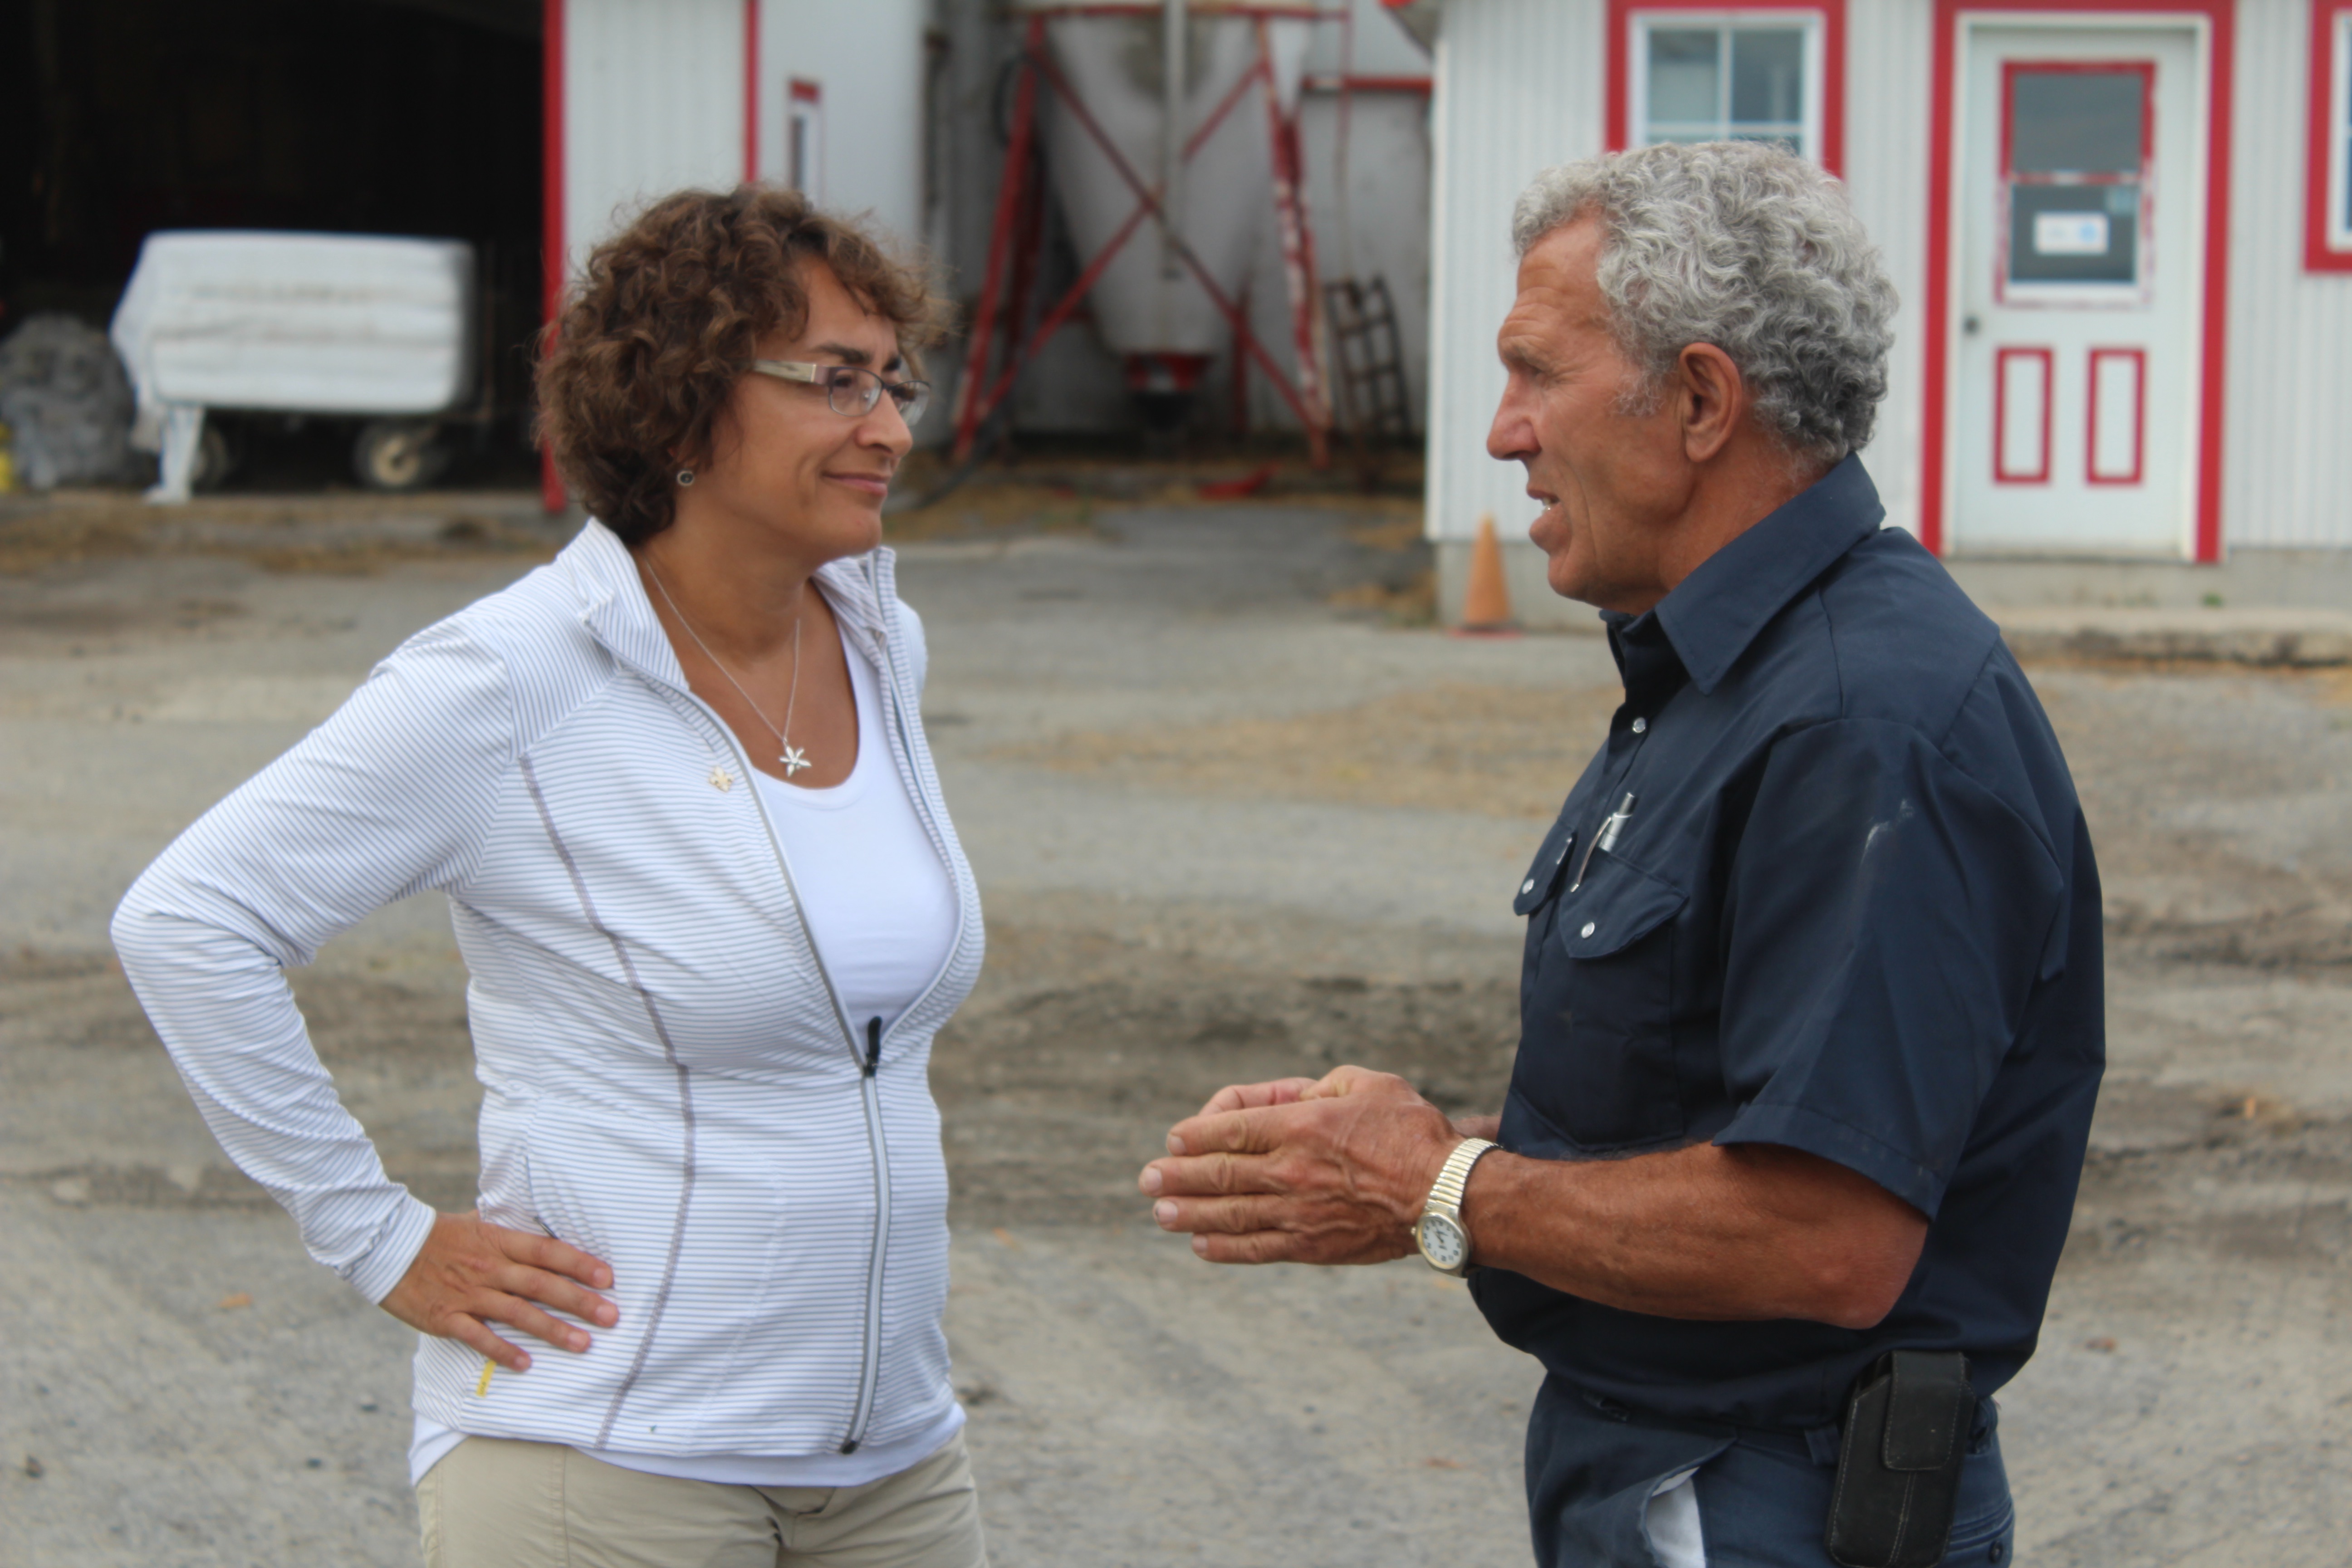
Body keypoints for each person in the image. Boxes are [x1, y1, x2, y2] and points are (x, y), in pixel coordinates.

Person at [1139, 142, 2102, 1568]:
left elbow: (1826, 1235)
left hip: (1770, 1501)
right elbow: (1704, 1113)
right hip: (1686, 1476)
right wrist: (1424, 1171)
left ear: (1702, 400)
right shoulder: (1738, 677)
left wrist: (1438, 1187)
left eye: (1537, 371)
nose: (1502, 432)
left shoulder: (1862, 718)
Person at [113, 186, 992, 1568]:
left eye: (894, 382)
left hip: (892, 1461)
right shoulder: (508, 681)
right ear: (685, 404)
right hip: (608, 1467)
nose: (889, 426)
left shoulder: (880, 639)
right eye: (835, 383)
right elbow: (187, 921)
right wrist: (380, 1237)